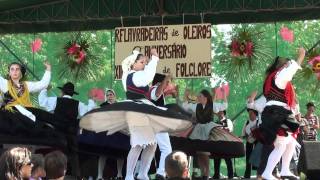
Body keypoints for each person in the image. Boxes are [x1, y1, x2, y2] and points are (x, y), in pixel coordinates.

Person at [79, 48, 191, 180]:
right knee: (138, 144)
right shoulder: (134, 75)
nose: (144, 64)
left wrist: (161, 86)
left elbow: (151, 94)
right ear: (133, 64)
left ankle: (143, 173)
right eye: (142, 62)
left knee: (152, 143)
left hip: (142, 109)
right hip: (138, 111)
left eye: (145, 62)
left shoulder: (134, 77)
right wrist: (154, 58)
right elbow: (148, 76)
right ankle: (129, 176)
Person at [258, 48, 305, 180]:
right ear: (284, 66)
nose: (289, 66)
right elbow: (290, 71)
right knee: (281, 144)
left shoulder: (271, 78)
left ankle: (284, 170)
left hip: (276, 111)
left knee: (290, 141)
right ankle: (267, 173)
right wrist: (301, 56)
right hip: (276, 113)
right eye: (288, 64)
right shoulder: (280, 75)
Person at [38, 82, 96, 176]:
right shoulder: (78, 104)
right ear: (72, 94)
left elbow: (42, 101)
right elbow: (89, 111)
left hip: (57, 134)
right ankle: (75, 175)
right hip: (71, 134)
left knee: (54, 153)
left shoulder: (56, 100)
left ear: (62, 92)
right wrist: (91, 100)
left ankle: (52, 174)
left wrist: (45, 89)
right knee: (73, 155)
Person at [181, 89, 227, 180]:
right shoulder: (196, 106)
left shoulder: (212, 105)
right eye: (198, 96)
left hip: (208, 128)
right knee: (199, 153)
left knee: (205, 153)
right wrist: (186, 96)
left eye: (200, 96)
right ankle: (203, 174)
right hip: (198, 130)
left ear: (205, 98)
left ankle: (207, 173)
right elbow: (185, 106)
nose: (198, 98)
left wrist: (224, 94)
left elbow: (224, 105)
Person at [0, 62, 53, 136]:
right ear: (9, 73)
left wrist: (48, 69)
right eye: (12, 69)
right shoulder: (4, 83)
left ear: (21, 73)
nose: (15, 71)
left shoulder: (27, 85)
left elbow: (43, 84)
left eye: (17, 69)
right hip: (10, 114)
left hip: (26, 112)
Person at [97, 88, 124, 180]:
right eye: (107, 95)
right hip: (107, 132)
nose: (109, 96)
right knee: (103, 153)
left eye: (111, 95)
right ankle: (99, 176)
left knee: (120, 153)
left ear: (114, 95)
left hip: (119, 131)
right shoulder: (103, 105)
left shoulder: (120, 105)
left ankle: (119, 175)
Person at [150, 73, 173, 180]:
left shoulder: (153, 90)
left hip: (153, 122)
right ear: (160, 82)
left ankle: (140, 172)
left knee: (149, 148)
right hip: (157, 122)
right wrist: (166, 78)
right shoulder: (155, 88)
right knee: (166, 148)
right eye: (166, 82)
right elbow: (157, 92)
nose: (168, 84)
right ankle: (161, 173)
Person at [213, 109, 234, 179]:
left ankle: (230, 176)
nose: (219, 114)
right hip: (218, 142)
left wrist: (222, 128)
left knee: (228, 159)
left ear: (223, 113)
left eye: (220, 113)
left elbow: (230, 129)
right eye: (218, 113)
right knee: (216, 159)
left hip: (226, 143)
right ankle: (216, 175)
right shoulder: (215, 122)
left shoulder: (228, 121)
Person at [241, 103, 259, 178]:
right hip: (249, 141)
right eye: (249, 113)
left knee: (258, 157)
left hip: (258, 142)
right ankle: (247, 175)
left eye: (251, 113)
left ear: (255, 114)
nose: (250, 115)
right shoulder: (247, 122)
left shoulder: (259, 121)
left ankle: (259, 175)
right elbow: (243, 133)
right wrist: (245, 137)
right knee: (248, 158)